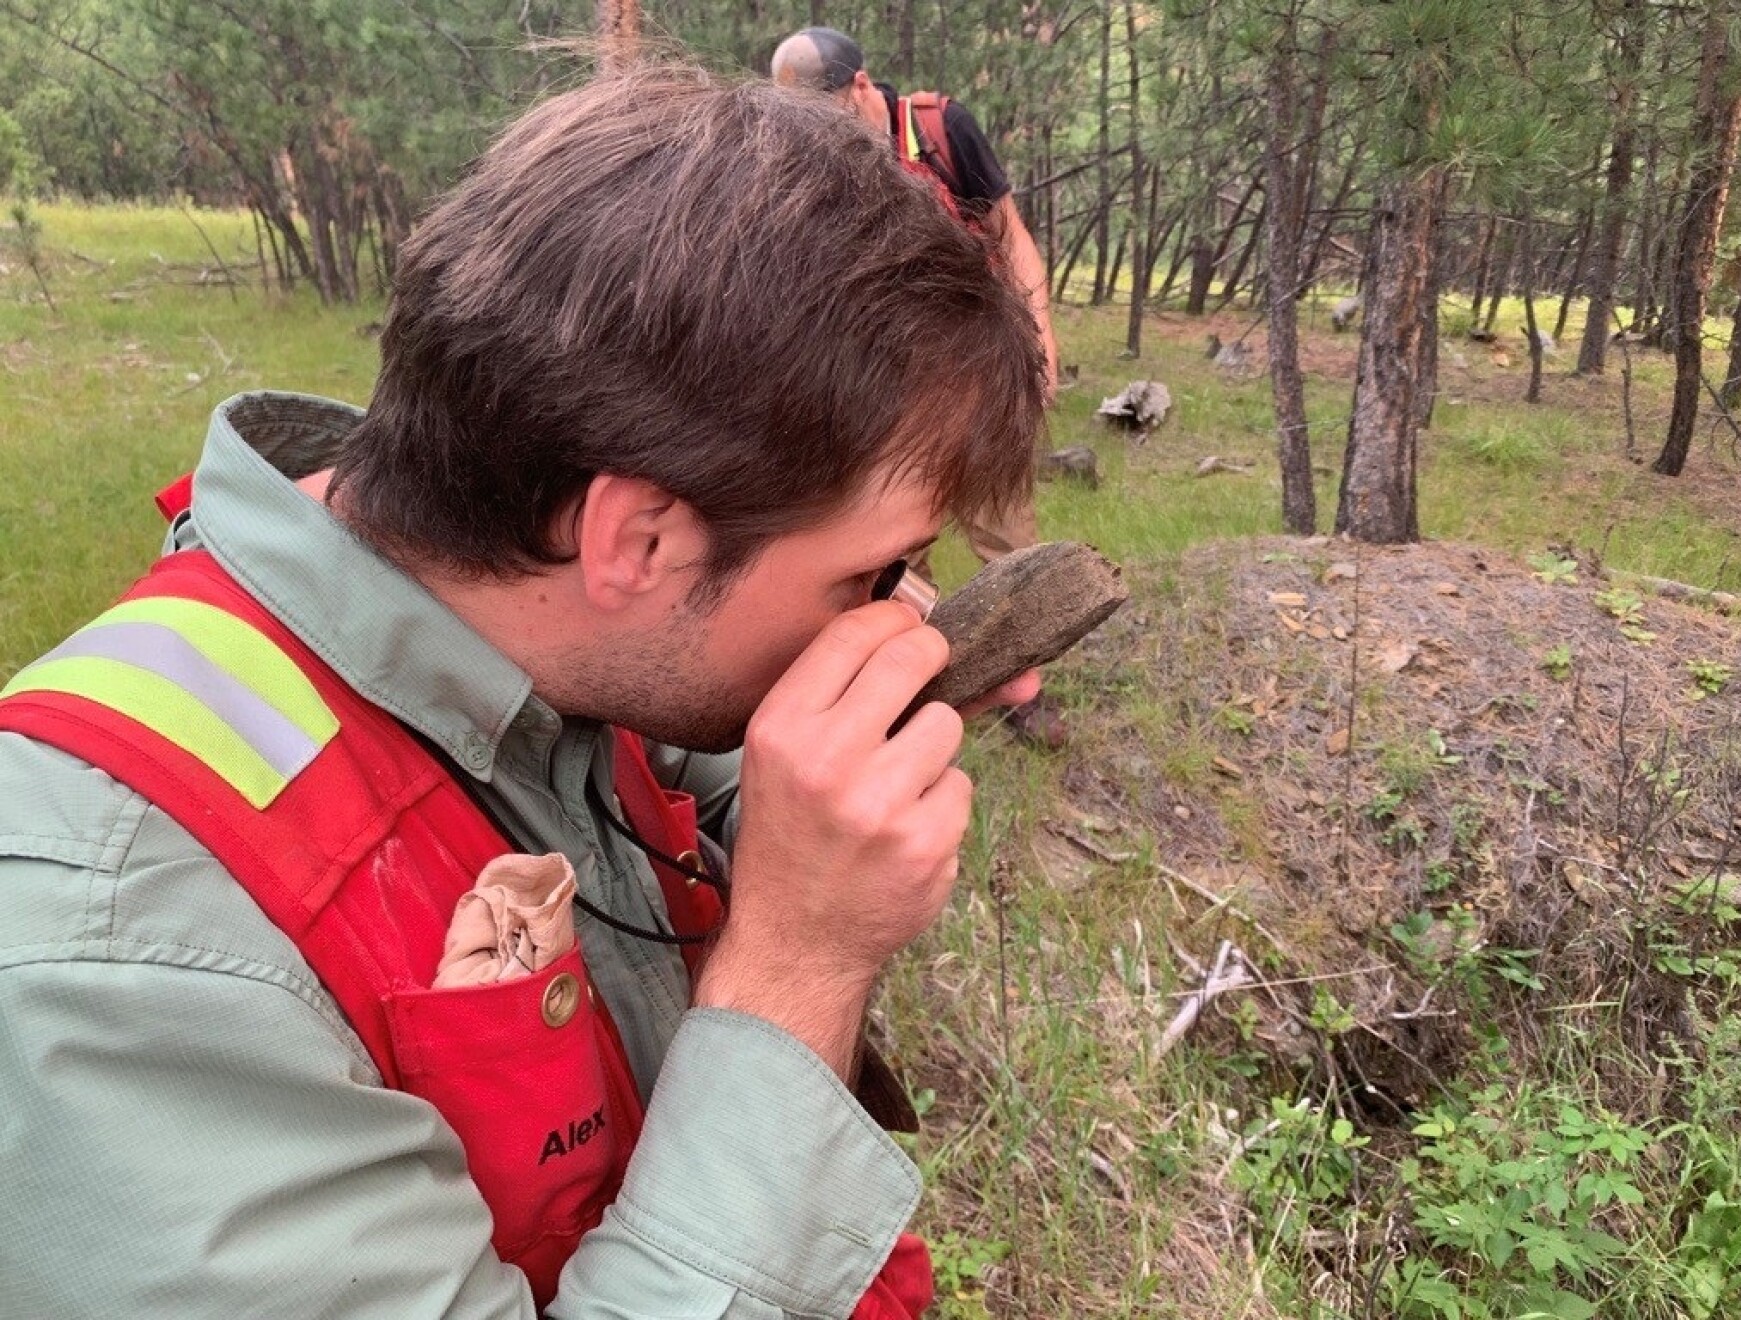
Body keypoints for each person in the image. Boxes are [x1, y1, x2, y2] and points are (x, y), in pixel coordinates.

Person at [0, 66, 1046, 1317]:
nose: (895, 618)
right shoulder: (120, 962)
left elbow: (642, 807)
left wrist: (819, 783)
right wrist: (799, 965)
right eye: (869, 572)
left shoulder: (502, 601)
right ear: (639, 544)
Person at [771, 26, 1068, 749]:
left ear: (863, 86)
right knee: (898, 553)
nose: (823, 133)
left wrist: (1042, 341)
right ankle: (917, 688)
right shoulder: (814, 159)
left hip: (983, 370)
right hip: (890, 388)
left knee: (1005, 529)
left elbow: (1012, 236)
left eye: (834, 113)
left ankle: (1022, 691)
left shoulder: (940, 128)